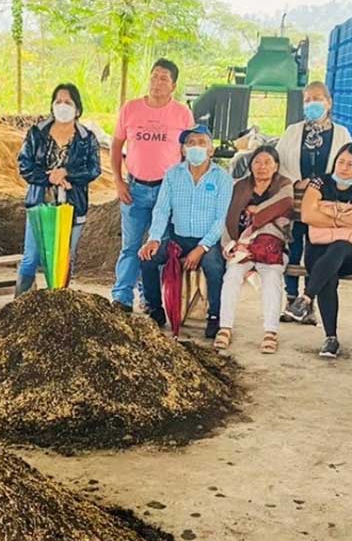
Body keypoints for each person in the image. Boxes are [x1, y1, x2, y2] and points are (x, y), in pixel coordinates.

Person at [109, 58, 194, 313]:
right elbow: (116, 146)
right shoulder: (131, 108)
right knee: (131, 245)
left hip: (166, 192)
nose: (157, 82)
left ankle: (149, 299)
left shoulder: (182, 114)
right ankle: (122, 297)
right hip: (134, 188)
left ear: (173, 85)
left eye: (164, 78)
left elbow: (190, 151)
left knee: (157, 249)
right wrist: (118, 180)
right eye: (154, 76)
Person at [137, 124, 231, 338]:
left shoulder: (222, 178)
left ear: (211, 149)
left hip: (207, 241)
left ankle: (214, 315)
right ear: (183, 150)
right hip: (177, 238)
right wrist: (154, 239)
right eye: (190, 143)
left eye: (201, 142)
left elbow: (220, 220)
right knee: (147, 258)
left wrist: (202, 248)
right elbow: (161, 210)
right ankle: (155, 308)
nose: (196, 147)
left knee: (214, 267)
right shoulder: (173, 174)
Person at [276, 80, 352, 324]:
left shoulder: (341, 134)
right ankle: (290, 299)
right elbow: (279, 162)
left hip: (324, 203)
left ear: (329, 103)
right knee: (292, 248)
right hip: (295, 200)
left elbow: (347, 167)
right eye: (308, 99)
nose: (312, 103)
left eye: (318, 98)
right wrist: (297, 182)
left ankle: (308, 304)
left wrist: (321, 186)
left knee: (316, 250)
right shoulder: (292, 131)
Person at [15, 83, 101, 295]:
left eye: (68, 102)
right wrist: (49, 177)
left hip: (72, 207)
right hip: (40, 203)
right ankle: (18, 308)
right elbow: (24, 165)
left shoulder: (86, 138)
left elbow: (93, 169)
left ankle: (59, 306)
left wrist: (67, 173)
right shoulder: (37, 133)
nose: (62, 106)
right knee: (31, 258)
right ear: (52, 106)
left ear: (77, 109)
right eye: (58, 101)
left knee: (62, 260)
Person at [298, 143, 352, 358]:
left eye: (351, 164)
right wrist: (344, 217)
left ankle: (306, 298)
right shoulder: (320, 182)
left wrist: (326, 213)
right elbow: (307, 215)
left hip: (351, 255)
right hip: (317, 250)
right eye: (341, 161)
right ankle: (331, 339)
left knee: (340, 246)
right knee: (327, 274)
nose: (344, 167)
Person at [215, 145, 293, 353]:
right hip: (241, 248)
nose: (262, 167)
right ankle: (225, 327)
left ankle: (270, 332)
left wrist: (257, 212)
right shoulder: (240, 187)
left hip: (271, 249)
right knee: (231, 275)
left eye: (268, 162)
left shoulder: (284, 186)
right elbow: (228, 218)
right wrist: (231, 245)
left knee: (272, 278)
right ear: (250, 165)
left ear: (276, 166)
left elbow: (281, 208)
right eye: (257, 162)